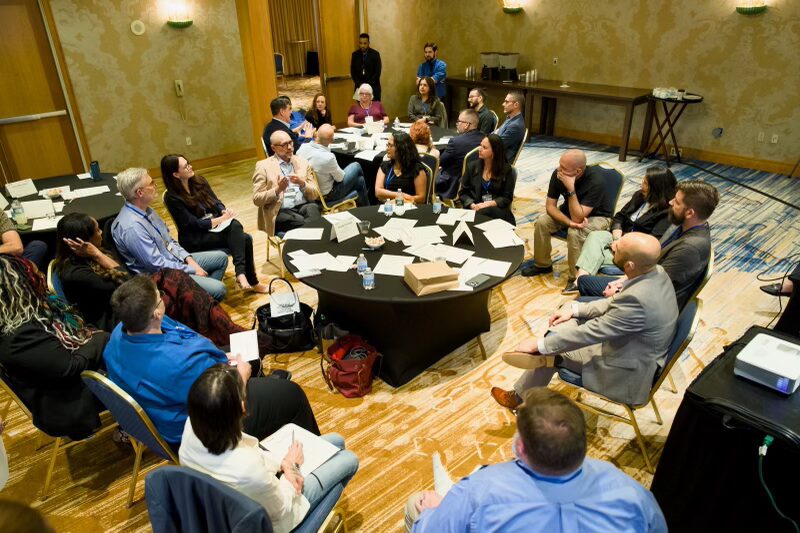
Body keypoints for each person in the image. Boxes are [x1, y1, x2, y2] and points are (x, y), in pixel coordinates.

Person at [406, 389, 667, 532]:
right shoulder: (630, 491)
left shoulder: (481, 491)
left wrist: (435, 511)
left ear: (520, 447)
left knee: (416, 505)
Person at [103, 275, 320, 447]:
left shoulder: (120, 334)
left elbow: (187, 340)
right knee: (292, 394)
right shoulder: (180, 364)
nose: (162, 298)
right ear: (156, 313)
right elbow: (225, 401)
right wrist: (241, 374)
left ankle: (263, 390)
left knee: (250, 353)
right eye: (160, 297)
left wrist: (217, 357)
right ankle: (310, 461)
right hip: (207, 426)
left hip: (180, 395)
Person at [492, 233, 678, 411]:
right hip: (634, 350)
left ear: (629, 265)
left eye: (618, 248)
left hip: (624, 372)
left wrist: (539, 344)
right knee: (570, 311)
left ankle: (519, 397)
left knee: (550, 353)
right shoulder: (656, 271)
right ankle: (550, 341)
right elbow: (612, 302)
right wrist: (575, 310)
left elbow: (592, 332)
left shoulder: (638, 300)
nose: (612, 246)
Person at [179, 365, 359, 533]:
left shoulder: (193, 427)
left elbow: (250, 452)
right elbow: (282, 509)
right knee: (350, 459)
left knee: (336, 441)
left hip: (232, 509)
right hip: (271, 521)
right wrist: (294, 466)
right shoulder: (247, 470)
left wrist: (283, 463)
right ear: (242, 408)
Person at [54, 213, 266, 351]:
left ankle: (221, 331)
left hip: (132, 294)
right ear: (82, 242)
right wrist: (98, 256)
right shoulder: (76, 273)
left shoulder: (96, 254)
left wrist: (97, 254)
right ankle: (228, 334)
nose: (101, 233)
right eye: (96, 231)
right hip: (123, 314)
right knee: (185, 294)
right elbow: (127, 282)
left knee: (178, 279)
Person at [0, 255, 107, 441]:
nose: (40, 276)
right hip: (67, 400)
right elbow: (71, 366)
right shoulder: (18, 336)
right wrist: (101, 338)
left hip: (66, 378)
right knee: (135, 364)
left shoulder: (28, 315)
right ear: (18, 287)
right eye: (33, 275)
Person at [577, 180, 718, 311]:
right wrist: (622, 281)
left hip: (649, 304)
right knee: (584, 282)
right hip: (642, 280)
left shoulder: (691, 248)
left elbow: (655, 286)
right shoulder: (681, 225)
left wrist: (620, 290)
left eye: (676, 202)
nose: (670, 202)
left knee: (578, 304)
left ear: (689, 213)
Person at [112, 167, 228, 301]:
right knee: (219, 289)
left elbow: (169, 241)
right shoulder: (132, 228)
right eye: (151, 183)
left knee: (221, 258)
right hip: (161, 277)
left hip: (174, 261)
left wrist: (189, 260)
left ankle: (200, 303)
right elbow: (156, 265)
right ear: (140, 192)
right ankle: (200, 305)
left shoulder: (147, 210)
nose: (155, 185)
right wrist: (191, 270)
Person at [161, 154, 266, 293]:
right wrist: (220, 220)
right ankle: (248, 279)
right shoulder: (172, 197)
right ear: (175, 174)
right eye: (186, 166)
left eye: (189, 163)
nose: (190, 167)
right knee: (244, 237)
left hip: (214, 228)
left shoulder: (199, 181)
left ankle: (242, 275)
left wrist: (223, 211)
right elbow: (193, 224)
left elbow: (215, 201)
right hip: (195, 238)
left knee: (237, 228)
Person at [566, 166, 676, 294]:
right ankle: (580, 280)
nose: (641, 184)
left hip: (634, 253)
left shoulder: (666, 212)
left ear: (656, 188)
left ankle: (580, 282)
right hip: (619, 238)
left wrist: (622, 246)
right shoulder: (639, 196)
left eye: (645, 183)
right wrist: (617, 239)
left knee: (594, 253)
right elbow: (619, 217)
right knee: (596, 236)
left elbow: (651, 243)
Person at [522, 149, 614, 287]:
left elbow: (578, 218)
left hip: (598, 216)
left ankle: (576, 279)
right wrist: (568, 222)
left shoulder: (596, 181)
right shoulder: (559, 174)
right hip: (571, 212)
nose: (559, 169)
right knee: (542, 222)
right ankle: (542, 264)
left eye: (564, 168)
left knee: (575, 232)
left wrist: (570, 189)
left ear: (577, 171)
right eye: (560, 164)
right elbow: (550, 206)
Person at [253, 131, 322, 236]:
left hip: (303, 205)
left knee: (314, 213)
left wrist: (302, 183)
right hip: (280, 210)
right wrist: (278, 190)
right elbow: (257, 199)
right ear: (273, 148)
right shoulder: (263, 166)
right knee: (310, 227)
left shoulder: (302, 162)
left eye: (291, 142)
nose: (289, 147)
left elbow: (315, 193)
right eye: (284, 145)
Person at [297, 124, 369, 207]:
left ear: (316, 134)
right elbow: (340, 178)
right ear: (332, 141)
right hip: (327, 196)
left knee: (360, 181)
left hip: (307, 192)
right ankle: (368, 206)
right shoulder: (328, 157)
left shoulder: (302, 148)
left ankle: (366, 208)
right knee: (356, 165)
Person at [459, 134, 516, 225]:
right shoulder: (472, 167)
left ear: (494, 152)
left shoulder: (506, 170)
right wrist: (472, 205)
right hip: (475, 210)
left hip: (497, 211)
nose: (479, 149)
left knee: (485, 213)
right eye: (480, 145)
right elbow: (463, 193)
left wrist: (487, 204)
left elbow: (507, 198)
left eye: (484, 147)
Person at [436, 108, 484, 199]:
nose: (457, 124)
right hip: (477, 180)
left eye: (459, 121)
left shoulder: (455, 142)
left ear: (466, 125)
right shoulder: (485, 139)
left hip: (455, 183)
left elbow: (441, 162)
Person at [375, 131, 427, 204]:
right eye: (387, 145)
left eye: (390, 145)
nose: (387, 148)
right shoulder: (385, 166)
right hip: (386, 206)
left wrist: (401, 200)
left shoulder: (416, 169)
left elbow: (421, 198)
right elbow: (378, 192)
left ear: (401, 148)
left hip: (408, 208)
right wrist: (400, 195)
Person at [350, 33, 381, 102]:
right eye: (361, 43)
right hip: (359, 88)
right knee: (360, 111)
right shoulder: (355, 55)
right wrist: (361, 85)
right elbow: (353, 72)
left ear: (368, 43)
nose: (362, 46)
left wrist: (367, 86)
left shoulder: (375, 54)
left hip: (373, 88)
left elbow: (377, 72)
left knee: (374, 111)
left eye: (365, 43)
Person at [496, 91, 526, 163]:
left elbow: (497, 146)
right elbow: (496, 132)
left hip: (500, 162)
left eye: (506, 102)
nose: (503, 104)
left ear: (516, 105)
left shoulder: (515, 126)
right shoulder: (510, 118)